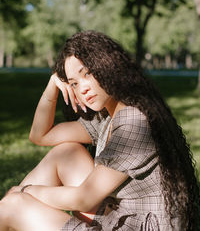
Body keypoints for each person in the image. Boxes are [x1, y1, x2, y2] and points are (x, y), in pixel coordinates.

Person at [0, 30, 199, 231]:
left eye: (87, 73)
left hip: (139, 227)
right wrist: (53, 84)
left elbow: (85, 198)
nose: (83, 88)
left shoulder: (134, 122)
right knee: (66, 152)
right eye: (74, 84)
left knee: (12, 206)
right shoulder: (107, 116)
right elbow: (40, 135)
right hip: (123, 215)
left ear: (109, 67)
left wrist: (25, 191)